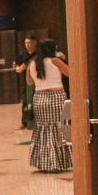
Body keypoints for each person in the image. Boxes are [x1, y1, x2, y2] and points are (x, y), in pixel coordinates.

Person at [27, 38, 72, 173]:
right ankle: (58, 161)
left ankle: (44, 161)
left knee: (43, 129)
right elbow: (70, 73)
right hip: (57, 97)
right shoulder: (55, 61)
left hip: (39, 98)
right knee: (58, 127)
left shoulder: (32, 63)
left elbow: (29, 82)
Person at [14, 35, 37, 130]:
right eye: (26, 43)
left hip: (37, 81)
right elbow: (17, 66)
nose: (27, 45)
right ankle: (25, 122)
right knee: (25, 101)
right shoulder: (23, 55)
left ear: (34, 42)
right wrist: (18, 68)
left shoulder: (38, 53)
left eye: (29, 42)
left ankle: (36, 121)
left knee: (35, 100)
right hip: (26, 81)